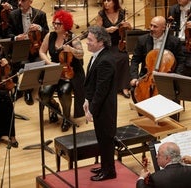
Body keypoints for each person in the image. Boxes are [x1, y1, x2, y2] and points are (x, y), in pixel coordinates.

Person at [39, 10, 85, 132]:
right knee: (44, 94)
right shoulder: (50, 36)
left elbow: (81, 54)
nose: (55, 26)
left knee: (64, 92)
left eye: (58, 24)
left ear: (65, 24)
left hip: (70, 72)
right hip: (54, 69)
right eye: (54, 23)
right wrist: (49, 63)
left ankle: (66, 118)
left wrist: (71, 49)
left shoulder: (72, 37)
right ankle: (55, 107)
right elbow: (41, 51)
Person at [83, 25, 117, 181]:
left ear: (101, 42)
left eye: (90, 40)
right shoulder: (97, 55)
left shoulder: (106, 60)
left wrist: (92, 110)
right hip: (98, 105)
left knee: (106, 139)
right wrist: (86, 100)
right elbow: (92, 83)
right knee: (101, 139)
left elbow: (101, 90)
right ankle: (105, 166)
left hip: (105, 109)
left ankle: (109, 171)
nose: (87, 42)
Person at [129, 16, 185, 104]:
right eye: (151, 25)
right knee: (134, 90)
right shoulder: (142, 40)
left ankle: (171, 115)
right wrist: (134, 77)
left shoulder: (174, 42)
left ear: (164, 28)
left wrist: (176, 77)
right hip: (147, 76)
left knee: (173, 94)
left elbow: (181, 61)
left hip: (167, 77)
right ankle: (144, 113)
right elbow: (135, 60)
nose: (151, 28)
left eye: (155, 26)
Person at [5, 0, 49, 105]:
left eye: (23, 0)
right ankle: (27, 90)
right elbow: (7, 33)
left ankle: (31, 88)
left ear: (30, 2)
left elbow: (47, 33)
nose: (20, 3)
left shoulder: (40, 15)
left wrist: (39, 28)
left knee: (39, 64)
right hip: (22, 48)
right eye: (19, 0)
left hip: (37, 48)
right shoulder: (13, 15)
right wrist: (16, 38)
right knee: (24, 65)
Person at [95, 0, 131, 98]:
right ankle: (110, 86)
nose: (106, 3)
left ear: (114, 2)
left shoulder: (122, 12)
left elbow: (128, 29)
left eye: (109, 0)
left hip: (119, 42)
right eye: (104, 1)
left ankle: (124, 87)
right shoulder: (101, 14)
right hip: (106, 44)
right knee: (110, 58)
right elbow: (97, 32)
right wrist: (106, 30)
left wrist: (127, 25)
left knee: (124, 57)